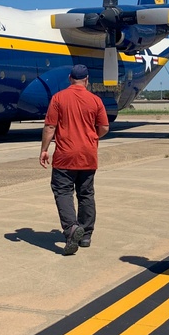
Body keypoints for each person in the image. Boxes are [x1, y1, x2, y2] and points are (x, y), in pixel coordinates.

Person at [39, 64, 109, 255]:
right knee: (86, 194)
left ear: (70, 78)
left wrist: (44, 150)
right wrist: (90, 136)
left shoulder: (58, 98)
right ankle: (85, 235)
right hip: (88, 155)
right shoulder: (95, 100)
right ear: (86, 80)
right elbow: (104, 127)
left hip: (65, 156)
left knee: (63, 192)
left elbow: (50, 127)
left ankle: (71, 228)